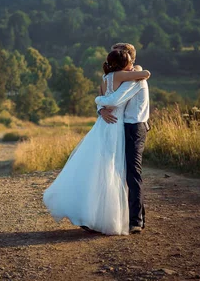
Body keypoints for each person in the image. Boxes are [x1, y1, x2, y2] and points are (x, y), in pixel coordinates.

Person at [43, 49, 150, 235]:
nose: (132, 65)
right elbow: (115, 100)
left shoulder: (108, 77)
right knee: (111, 171)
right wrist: (100, 103)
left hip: (119, 126)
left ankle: (125, 218)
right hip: (115, 127)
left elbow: (109, 97)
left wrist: (99, 104)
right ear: (123, 64)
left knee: (108, 170)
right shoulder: (126, 77)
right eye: (129, 62)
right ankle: (104, 217)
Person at [96, 43, 150, 234]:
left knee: (132, 173)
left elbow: (112, 100)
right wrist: (100, 109)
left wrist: (100, 103)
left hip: (134, 127)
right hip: (121, 127)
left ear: (129, 59)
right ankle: (120, 216)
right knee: (117, 171)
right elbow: (108, 98)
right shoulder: (126, 77)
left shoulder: (134, 80)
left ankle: (136, 220)